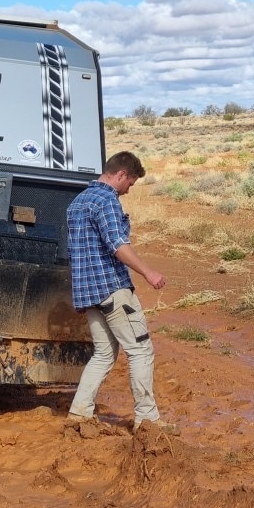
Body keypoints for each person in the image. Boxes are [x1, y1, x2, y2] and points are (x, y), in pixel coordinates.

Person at [66, 150, 177, 433]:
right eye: (130, 183)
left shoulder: (77, 203)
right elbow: (118, 245)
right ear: (121, 174)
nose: (128, 190)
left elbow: (74, 253)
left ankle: (79, 414)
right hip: (112, 289)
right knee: (140, 351)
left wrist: (82, 297)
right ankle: (147, 421)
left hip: (90, 293)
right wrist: (148, 273)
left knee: (104, 354)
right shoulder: (106, 200)